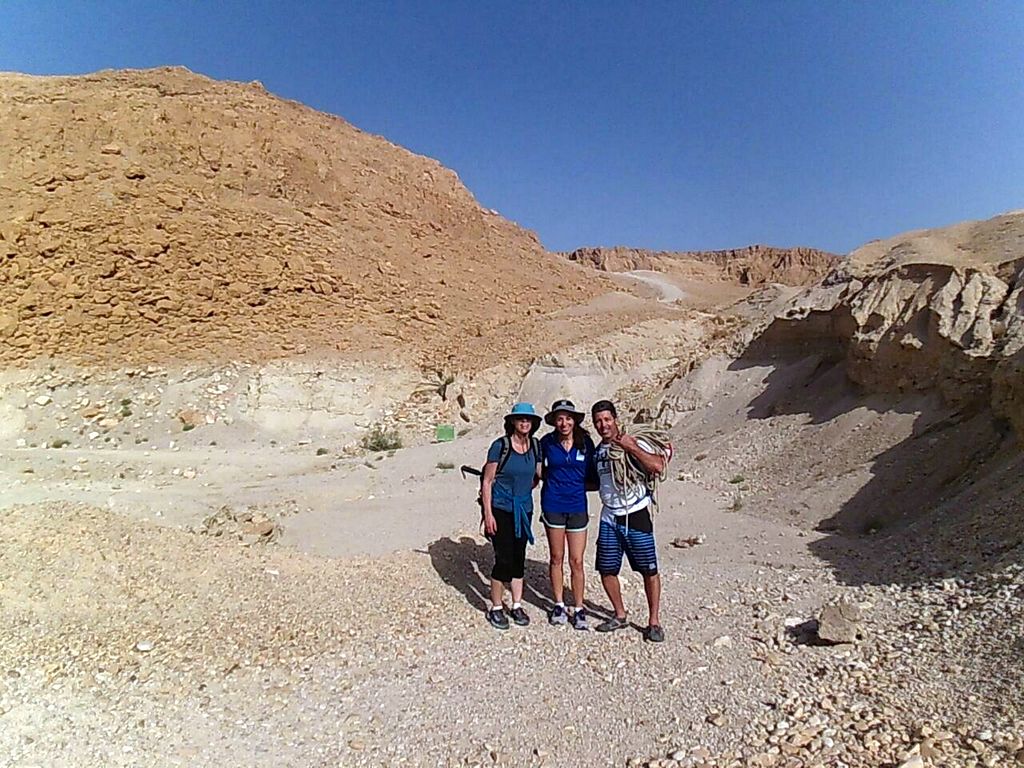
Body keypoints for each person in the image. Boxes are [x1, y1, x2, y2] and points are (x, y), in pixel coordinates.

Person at [590, 399, 667, 642]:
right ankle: (620, 614)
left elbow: (657, 465)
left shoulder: (634, 442)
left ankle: (654, 622)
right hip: (609, 516)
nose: (603, 425)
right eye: (598, 421)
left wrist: (630, 447)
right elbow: (595, 482)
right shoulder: (599, 452)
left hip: (636, 513)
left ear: (615, 419)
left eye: (606, 419)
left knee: (649, 570)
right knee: (606, 569)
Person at [480, 402, 543, 630]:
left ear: (533, 424)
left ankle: (516, 604)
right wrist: (488, 514)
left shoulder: (535, 446)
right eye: (520, 419)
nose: (524, 423)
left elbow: (537, 475)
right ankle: (496, 607)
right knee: (503, 558)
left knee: (519, 557)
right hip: (501, 509)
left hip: (523, 509)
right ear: (513, 422)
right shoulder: (501, 446)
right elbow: (487, 481)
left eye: (528, 420)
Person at [539, 399, 597, 630]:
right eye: (560, 418)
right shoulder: (546, 442)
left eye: (568, 418)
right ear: (554, 421)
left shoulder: (586, 443)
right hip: (553, 504)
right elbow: (537, 469)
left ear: (575, 421)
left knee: (577, 560)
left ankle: (579, 607)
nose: (564, 423)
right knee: (556, 557)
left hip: (577, 506)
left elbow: (595, 473)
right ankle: (559, 603)